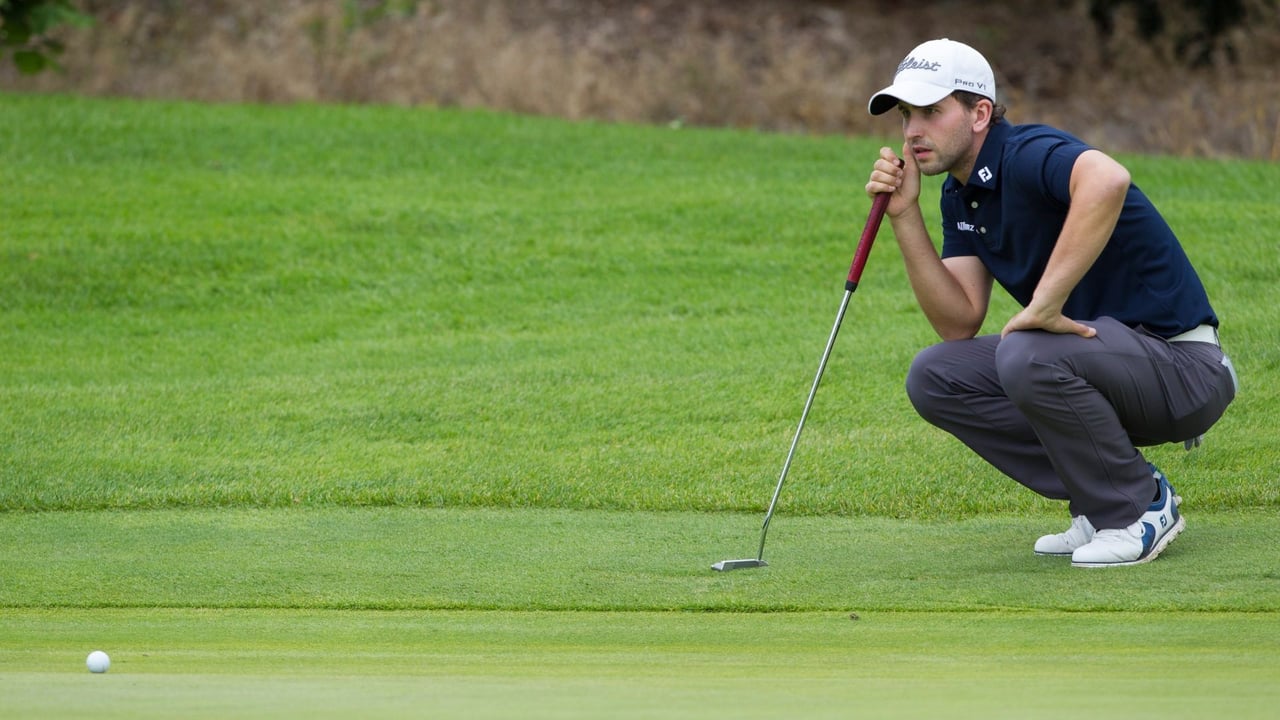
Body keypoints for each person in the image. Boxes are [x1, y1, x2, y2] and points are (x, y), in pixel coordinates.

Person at [863, 39, 1238, 567]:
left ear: (980, 114)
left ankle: (1138, 506)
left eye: (930, 111)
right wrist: (905, 216)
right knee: (935, 375)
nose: (912, 131)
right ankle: (1099, 495)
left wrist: (1046, 302)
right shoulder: (959, 193)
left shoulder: (1027, 153)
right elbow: (958, 320)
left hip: (1185, 368)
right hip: (1103, 364)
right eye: (906, 115)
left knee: (1027, 352)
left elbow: (1107, 178)